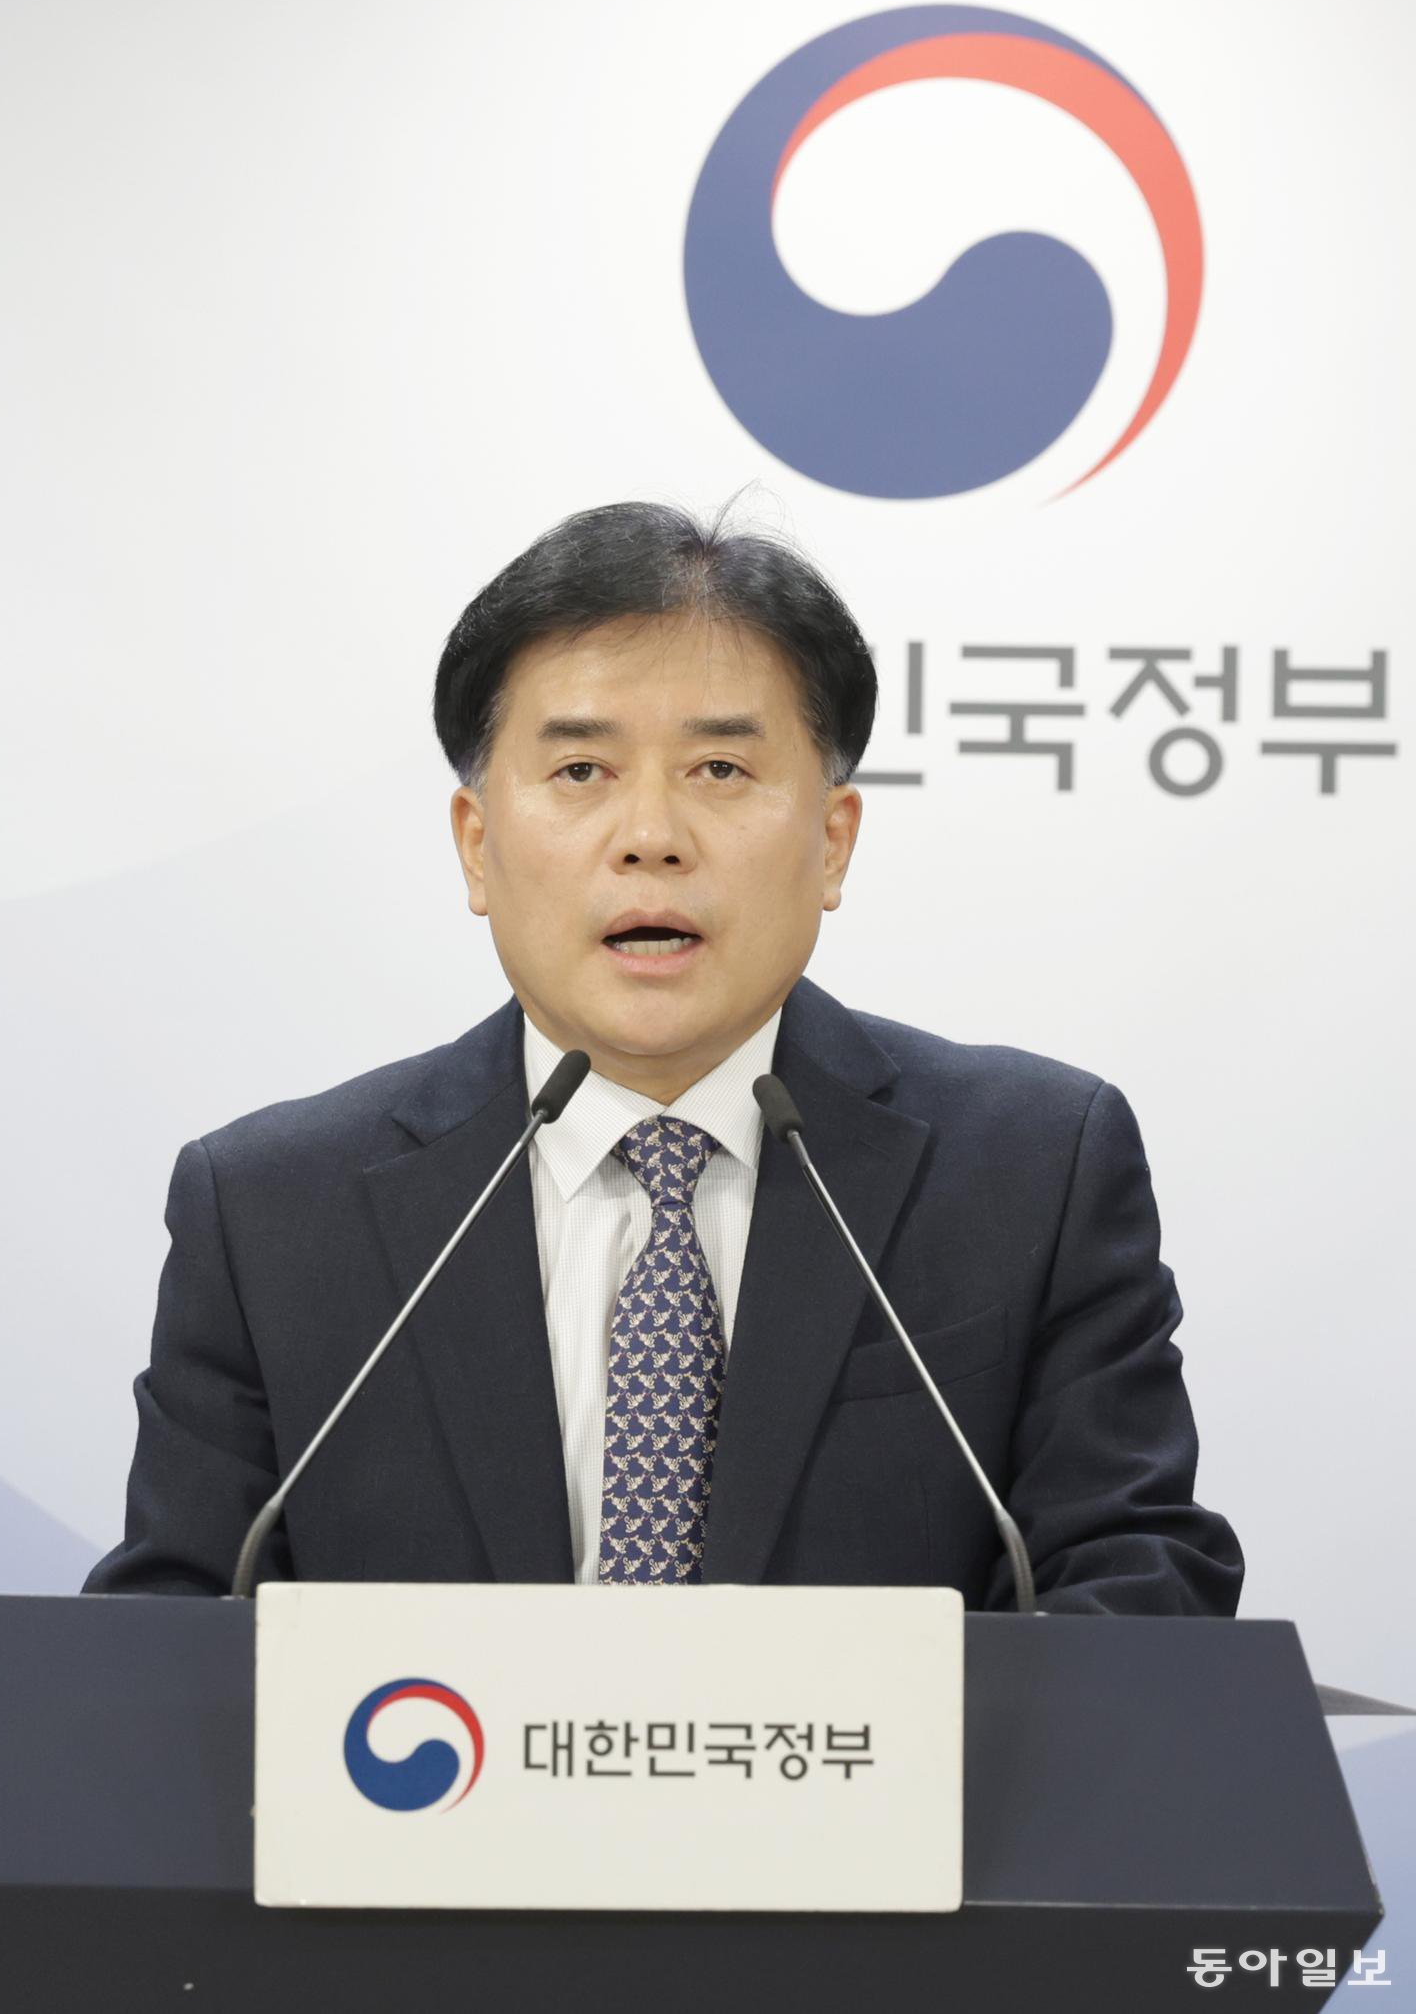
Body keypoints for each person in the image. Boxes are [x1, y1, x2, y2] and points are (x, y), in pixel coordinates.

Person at [83, 500, 1242, 1610]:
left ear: (832, 841)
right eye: (581, 771)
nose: (650, 838)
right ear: (477, 845)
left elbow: (1137, 1585)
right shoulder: (274, 1213)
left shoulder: (1031, 1171)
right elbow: (169, 1640)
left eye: (719, 770)